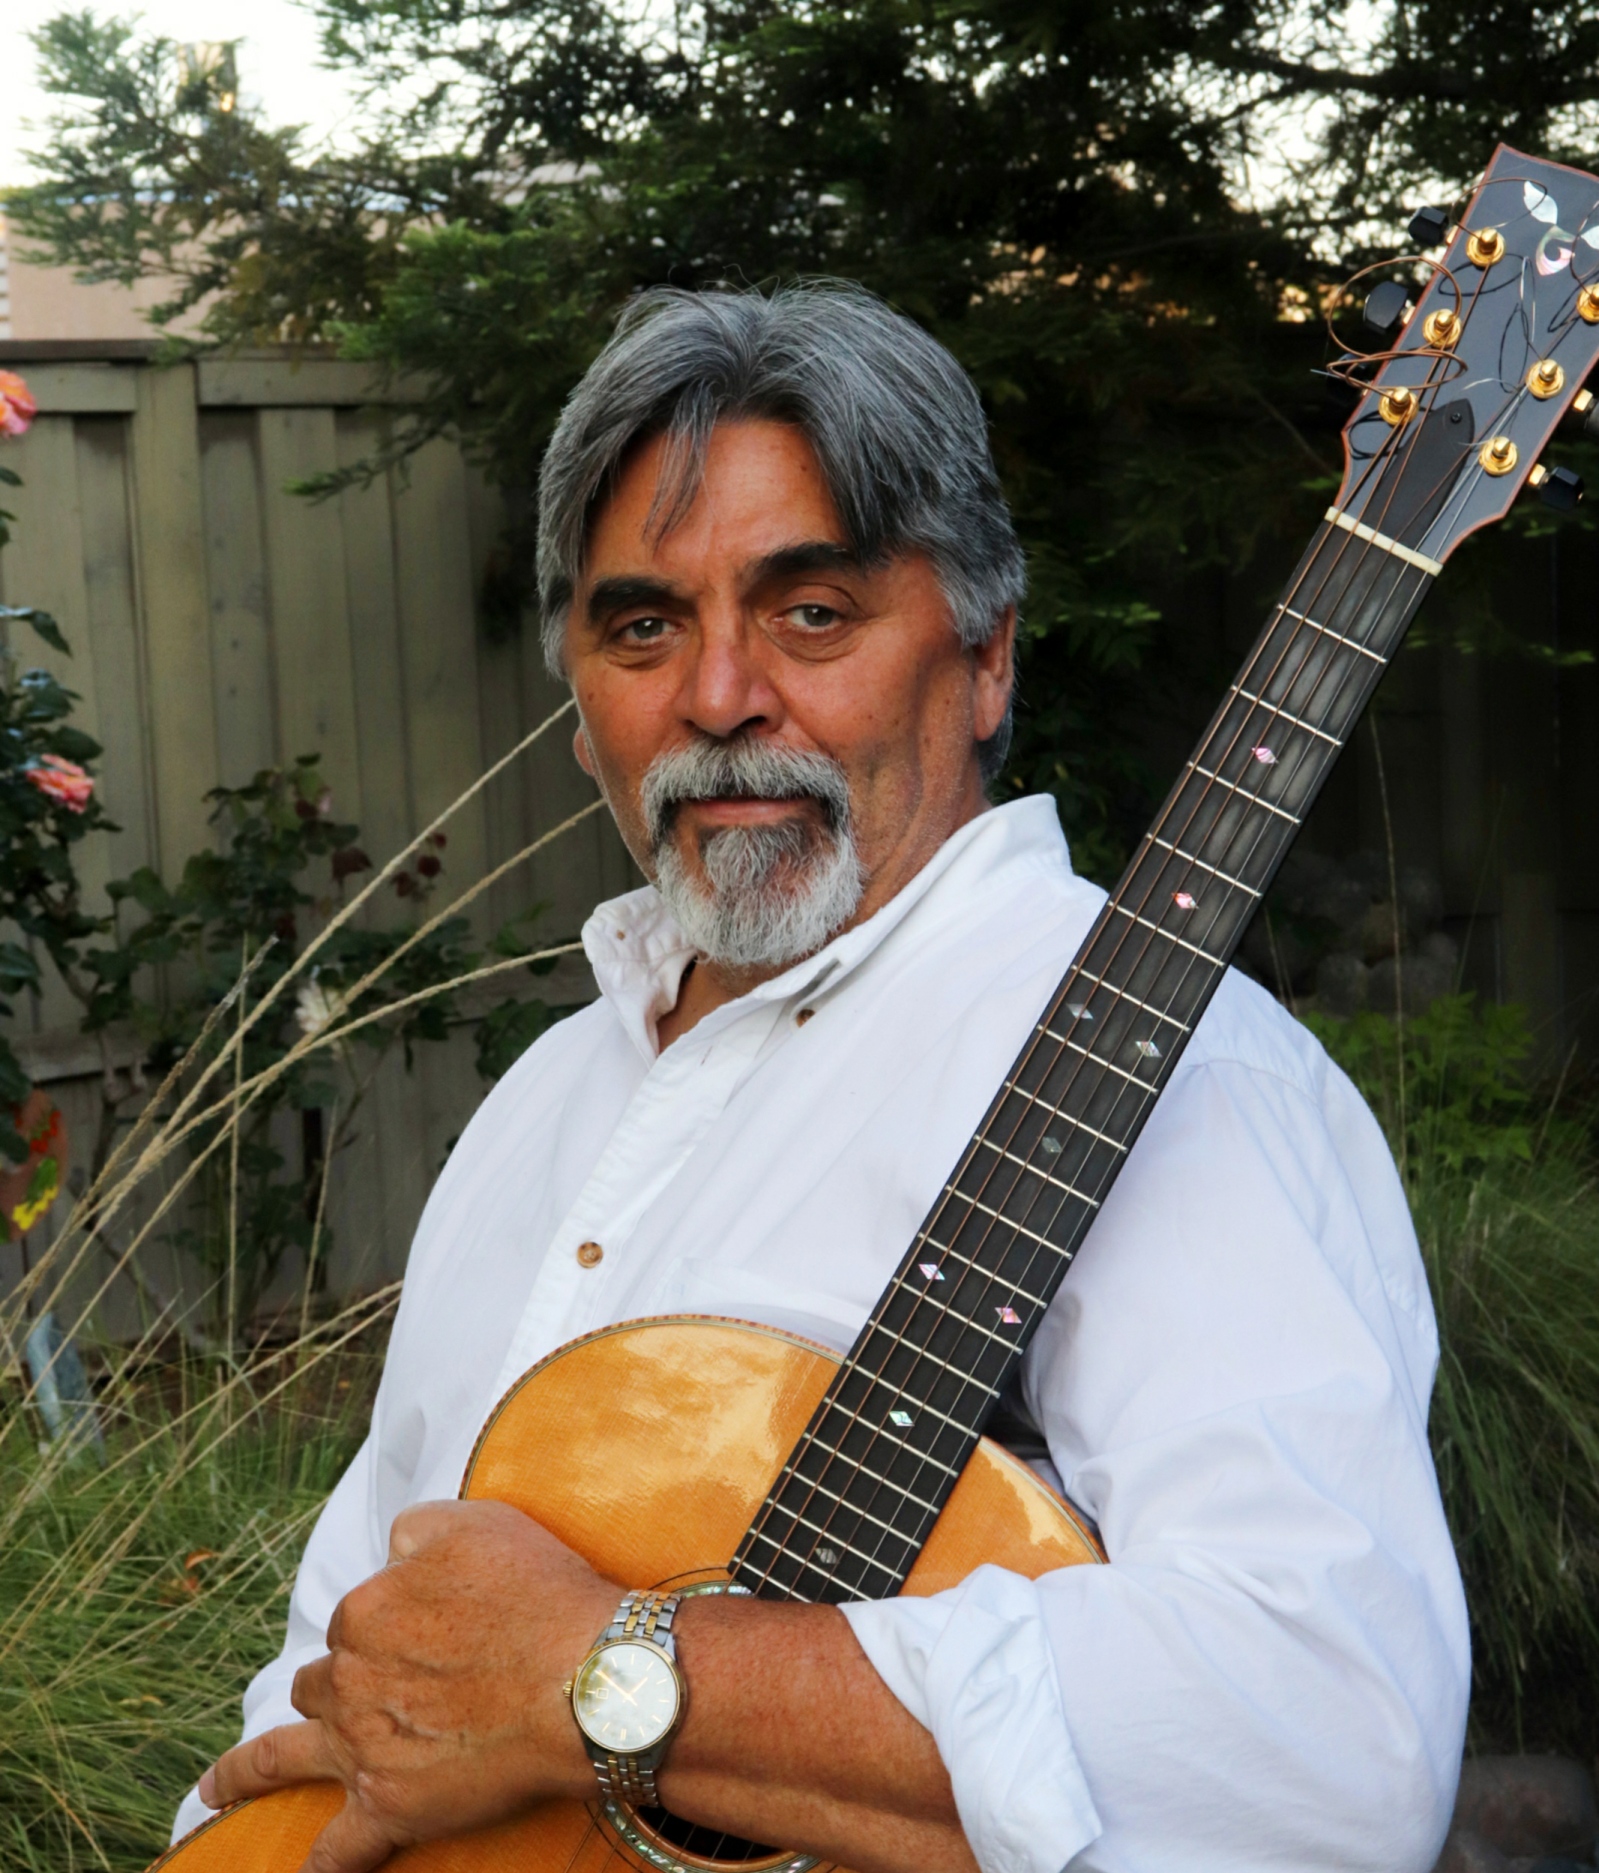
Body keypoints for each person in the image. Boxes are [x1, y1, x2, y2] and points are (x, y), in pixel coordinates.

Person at [182, 283, 1469, 1873]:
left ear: (987, 657)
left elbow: (1331, 1749)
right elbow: (355, 1653)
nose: (718, 698)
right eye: (643, 625)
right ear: (579, 706)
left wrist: (605, 1677)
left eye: (813, 613)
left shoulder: (1180, 1074)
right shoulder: (547, 1102)